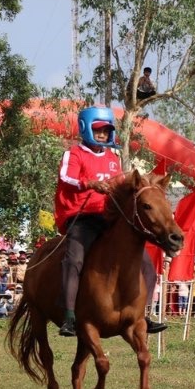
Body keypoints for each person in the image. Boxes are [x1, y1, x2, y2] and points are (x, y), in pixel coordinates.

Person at [54, 106, 166, 336]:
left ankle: (142, 315)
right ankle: (69, 317)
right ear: (86, 129)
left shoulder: (112, 158)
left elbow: (121, 187)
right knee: (74, 260)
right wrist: (90, 183)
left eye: (106, 130)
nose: (103, 134)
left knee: (145, 263)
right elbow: (66, 177)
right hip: (82, 216)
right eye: (99, 130)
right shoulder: (74, 154)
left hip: (109, 217)